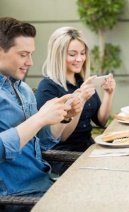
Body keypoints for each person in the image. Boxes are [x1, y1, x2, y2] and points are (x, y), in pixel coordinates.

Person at [0, 17, 81, 209]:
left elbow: (42, 142)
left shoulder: (24, 89)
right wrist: (39, 119)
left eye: (31, 54)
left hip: (45, 182)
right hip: (16, 196)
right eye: (23, 55)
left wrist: (63, 116)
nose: (30, 62)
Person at [35, 27, 116, 175]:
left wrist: (109, 94)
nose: (79, 59)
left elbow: (101, 121)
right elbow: (62, 136)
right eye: (72, 54)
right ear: (58, 55)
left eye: (83, 53)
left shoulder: (82, 81)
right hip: (65, 157)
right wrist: (81, 99)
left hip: (89, 149)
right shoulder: (48, 88)